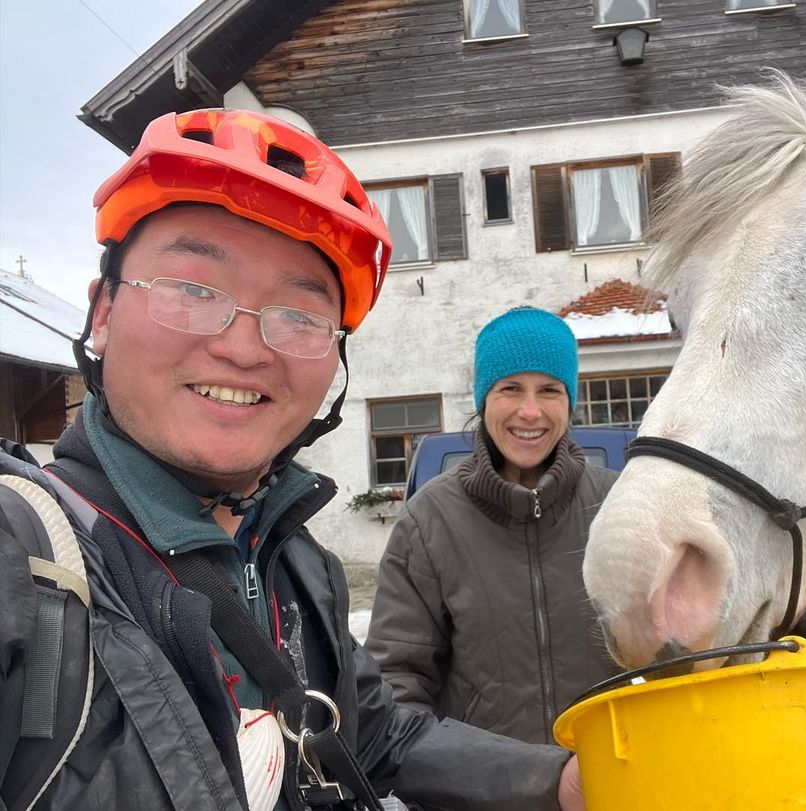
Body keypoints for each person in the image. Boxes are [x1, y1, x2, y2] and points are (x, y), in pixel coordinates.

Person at [0, 109, 585, 811]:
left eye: (300, 314)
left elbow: (376, 736)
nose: (246, 348)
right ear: (101, 311)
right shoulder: (23, 559)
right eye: (194, 289)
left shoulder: (298, 569)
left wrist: (562, 781)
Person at [365, 307, 622, 745]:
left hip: (613, 782)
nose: (530, 411)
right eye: (510, 389)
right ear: (484, 399)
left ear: (569, 402)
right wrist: (440, 777)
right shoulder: (430, 521)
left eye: (549, 390)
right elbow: (398, 680)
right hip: (484, 793)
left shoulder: (617, 506)